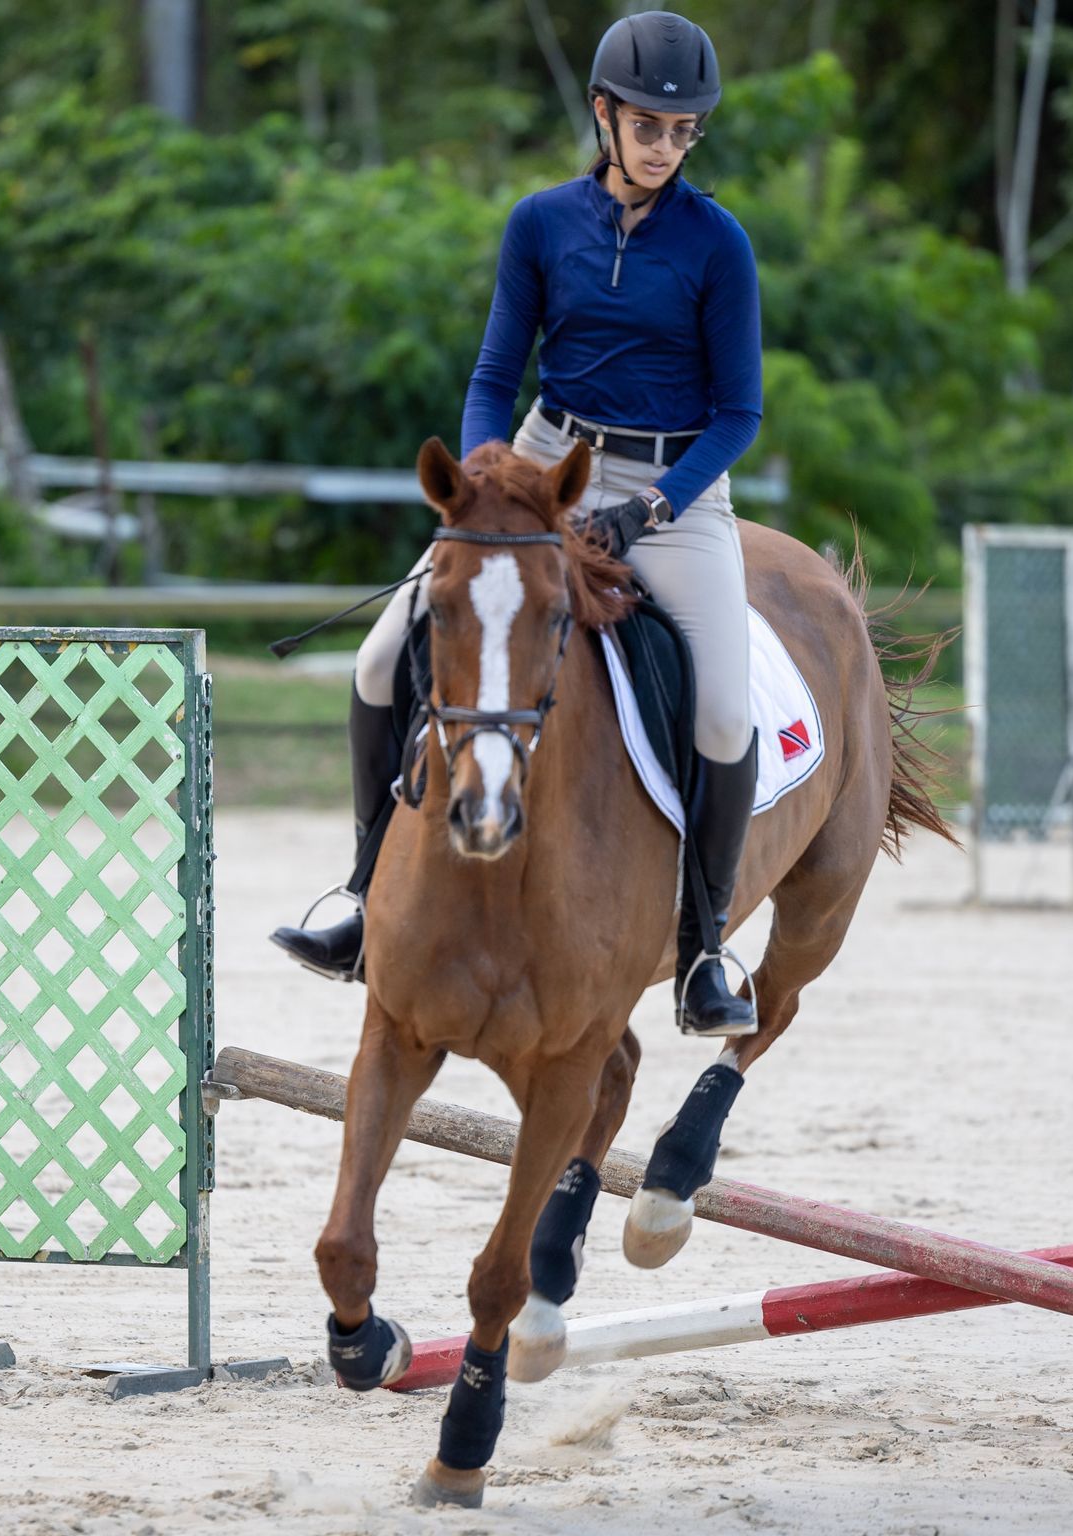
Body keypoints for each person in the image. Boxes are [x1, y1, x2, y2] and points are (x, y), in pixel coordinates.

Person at [271, 10, 763, 1037]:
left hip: (673, 484)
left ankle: (703, 948)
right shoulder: (540, 223)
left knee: (723, 713)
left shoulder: (719, 244)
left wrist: (651, 509)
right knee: (379, 657)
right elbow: (495, 375)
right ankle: (361, 896)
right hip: (543, 461)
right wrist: (488, 482)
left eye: (683, 131)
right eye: (648, 126)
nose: (665, 146)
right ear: (603, 113)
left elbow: (739, 415)